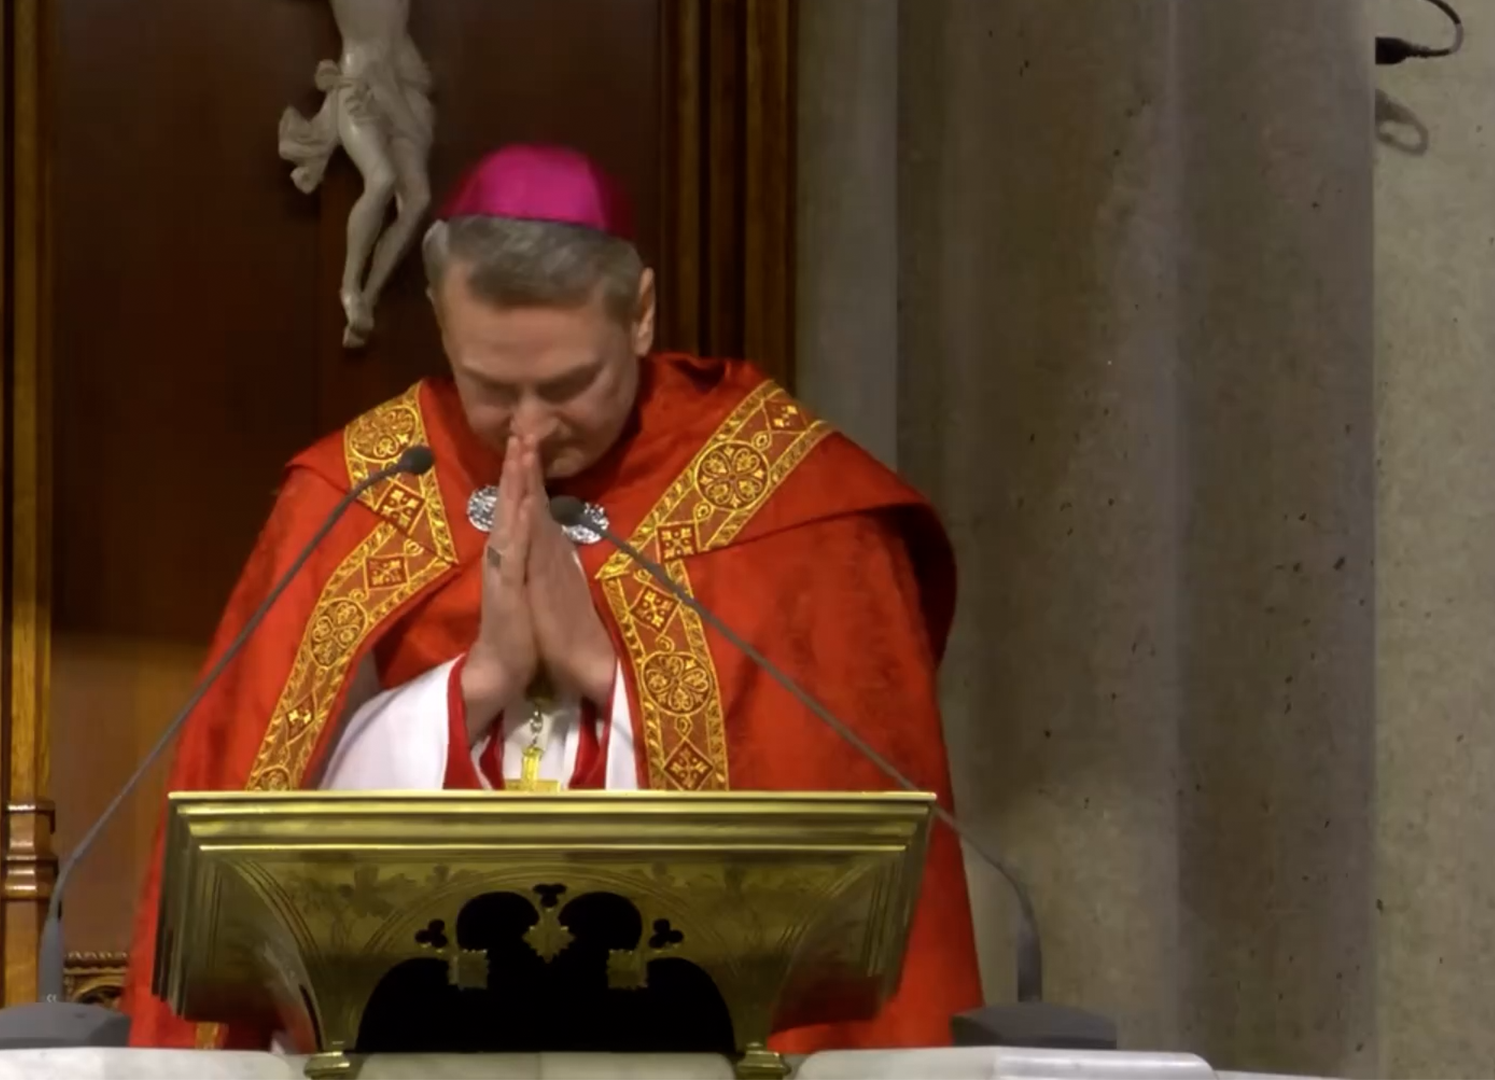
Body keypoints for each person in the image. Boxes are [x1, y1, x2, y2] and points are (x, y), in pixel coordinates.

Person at [121, 143, 982, 1051]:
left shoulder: (791, 501)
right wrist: (476, 685)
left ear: (640, 316)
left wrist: (605, 675)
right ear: (443, 326)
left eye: (571, 386)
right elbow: (263, 843)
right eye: (491, 389)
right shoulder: (359, 496)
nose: (529, 429)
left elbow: (847, 846)